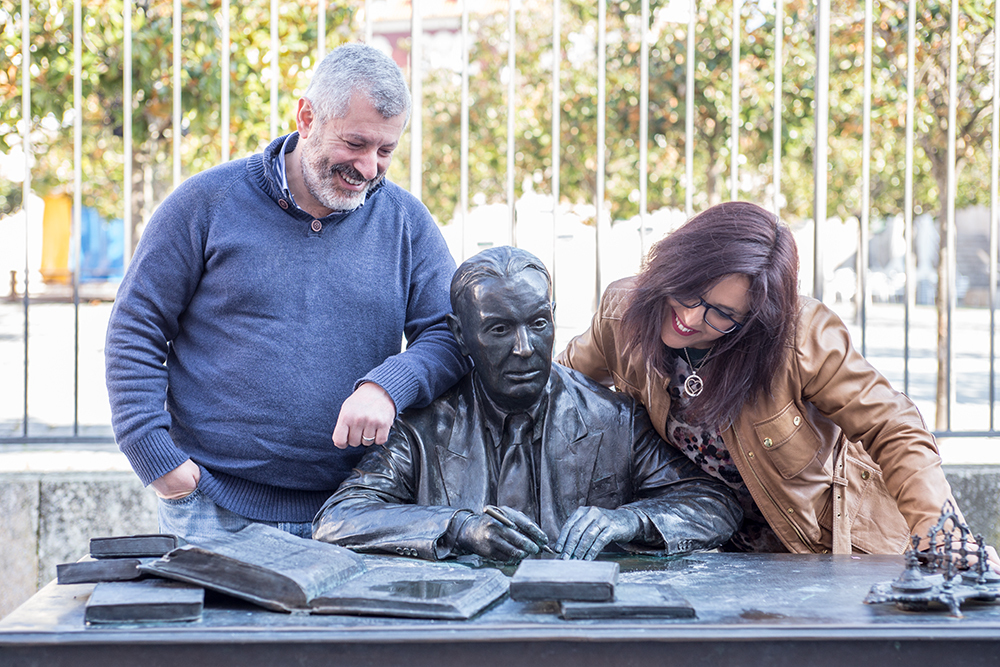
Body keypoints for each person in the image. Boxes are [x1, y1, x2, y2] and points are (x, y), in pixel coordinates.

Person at [105, 43, 468, 543]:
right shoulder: (205, 203)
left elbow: (449, 335)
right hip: (213, 509)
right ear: (307, 116)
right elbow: (136, 326)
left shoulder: (405, 222)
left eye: (385, 150)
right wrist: (155, 455)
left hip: (360, 512)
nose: (368, 168)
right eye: (355, 144)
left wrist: (388, 386)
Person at [557, 200, 998, 565]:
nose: (691, 318)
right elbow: (554, 391)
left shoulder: (801, 337)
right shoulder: (622, 313)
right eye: (688, 291)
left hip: (824, 548)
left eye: (722, 314)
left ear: (753, 320)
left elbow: (893, 425)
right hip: (707, 551)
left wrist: (940, 532)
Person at [313, 246, 742, 562]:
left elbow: (714, 503)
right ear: (460, 335)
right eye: (498, 329)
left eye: (537, 323)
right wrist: (458, 526)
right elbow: (339, 519)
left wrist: (629, 521)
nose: (524, 348)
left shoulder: (614, 419)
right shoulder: (421, 425)